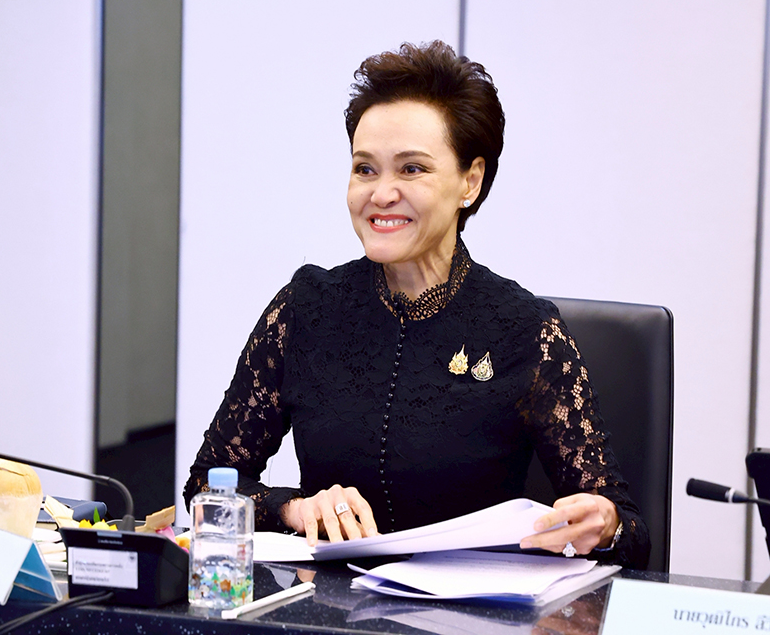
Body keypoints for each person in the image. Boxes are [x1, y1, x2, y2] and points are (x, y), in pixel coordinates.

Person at [183, 40, 650, 569]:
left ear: (470, 181)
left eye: (411, 170)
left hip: (471, 607)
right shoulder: (305, 310)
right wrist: (293, 507)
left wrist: (604, 524)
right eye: (365, 169)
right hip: (328, 606)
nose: (381, 194)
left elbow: (630, 533)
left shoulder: (526, 331)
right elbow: (206, 487)